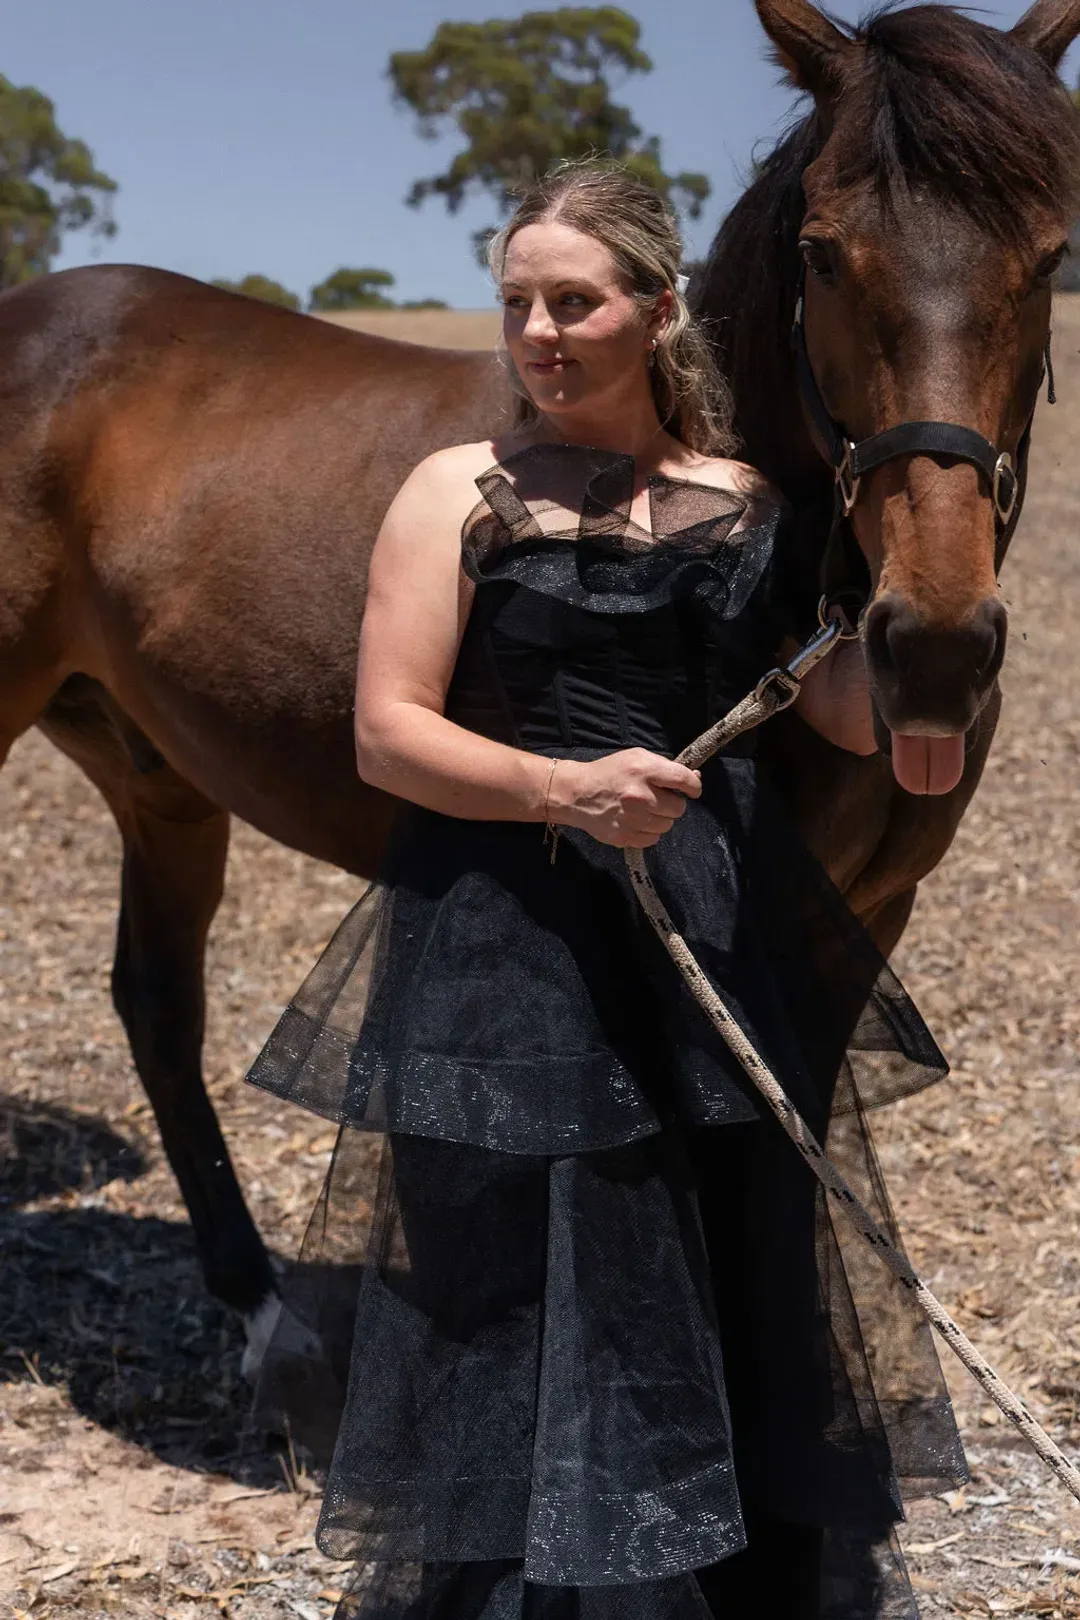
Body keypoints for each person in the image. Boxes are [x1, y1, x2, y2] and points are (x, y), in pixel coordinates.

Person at [246, 161, 967, 1620]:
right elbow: (391, 731)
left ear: (657, 309)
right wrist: (563, 790)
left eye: (573, 302)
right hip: (507, 947)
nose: (538, 334)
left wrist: (923, 684)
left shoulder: (748, 501)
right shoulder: (460, 490)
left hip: (709, 947)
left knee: (718, 1265)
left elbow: (834, 719)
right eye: (519, 303)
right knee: (507, 1292)